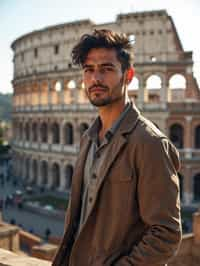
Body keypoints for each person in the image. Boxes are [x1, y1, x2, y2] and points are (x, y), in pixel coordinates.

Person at [52, 29, 182, 266]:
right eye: (88, 70)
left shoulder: (150, 143)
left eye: (107, 69)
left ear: (128, 75)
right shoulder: (88, 139)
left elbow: (166, 233)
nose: (96, 79)